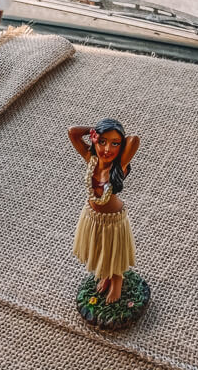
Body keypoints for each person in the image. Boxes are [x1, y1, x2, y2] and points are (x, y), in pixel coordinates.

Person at [68, 118, 140, 304]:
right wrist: (95, 130)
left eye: (114, 143)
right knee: (101, 251)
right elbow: (73, 132)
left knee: (113, 251)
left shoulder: (119, 165)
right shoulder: (91, 159)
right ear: (95, 140)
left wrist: (115, 139)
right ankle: (106, 276)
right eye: (102, 142)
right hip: (92, 217)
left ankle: (117, 280)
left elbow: (134, 140)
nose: (107, 149)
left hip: (113, 220)